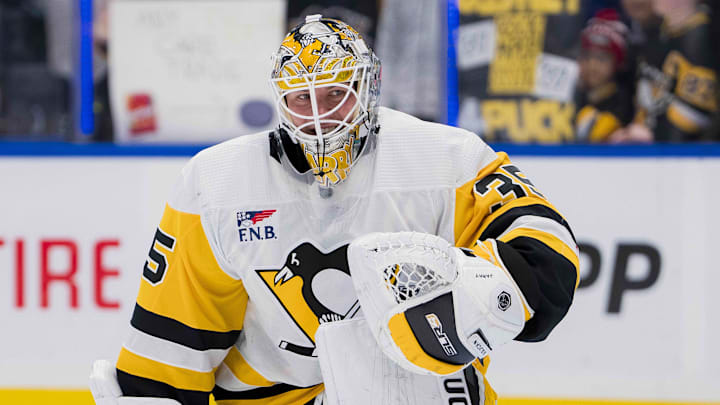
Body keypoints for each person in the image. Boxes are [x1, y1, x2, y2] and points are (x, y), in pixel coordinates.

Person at [90, 15, 579, 405]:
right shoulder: (216, 184)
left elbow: (546, 251)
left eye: (335, 94)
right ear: (281, 101)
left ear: (368, 88)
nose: (320, 116)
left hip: (420, 396)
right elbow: (175, 332)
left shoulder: (445, 159)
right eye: (302, 99)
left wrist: (486, 294)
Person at [631, 0, 718, 141]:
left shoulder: (705, 39)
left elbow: (695, 113)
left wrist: (653, 136)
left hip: (684, 156)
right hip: (650, 152)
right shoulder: (657, 34)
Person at [575, 9, 635, 142]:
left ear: (618, 63)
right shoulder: (575, 96)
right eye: (586, 56)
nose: (592, 65)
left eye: (601, 58)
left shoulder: (623, 103)